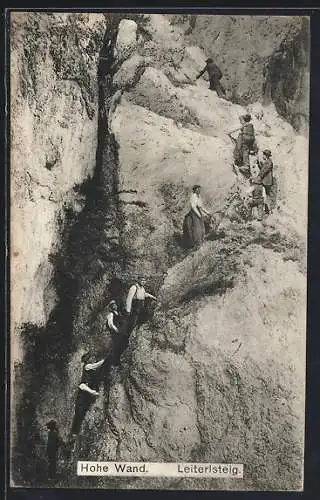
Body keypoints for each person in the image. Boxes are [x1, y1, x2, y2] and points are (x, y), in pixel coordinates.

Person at [69, 352, 105, 443]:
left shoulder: (88, 369)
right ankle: (74, 435)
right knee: (79, 415)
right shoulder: (87, 367)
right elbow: (82, 385)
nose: (91, 360)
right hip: (82, 396)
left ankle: (75, 435)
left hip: (84, 396)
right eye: (90, 358)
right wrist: (92, 392)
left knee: (80, 415)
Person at [106, 299, 125, 366]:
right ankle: (115, 362)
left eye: (115, 305)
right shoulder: (111, 314)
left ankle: (118, 360)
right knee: (116, 346)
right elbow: (110, 324)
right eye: (113, 306)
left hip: (119, 331)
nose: (115, 306)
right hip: (115, 332)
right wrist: (116, 329)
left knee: (120, 345)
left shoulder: (117, 313)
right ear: (111, 307)